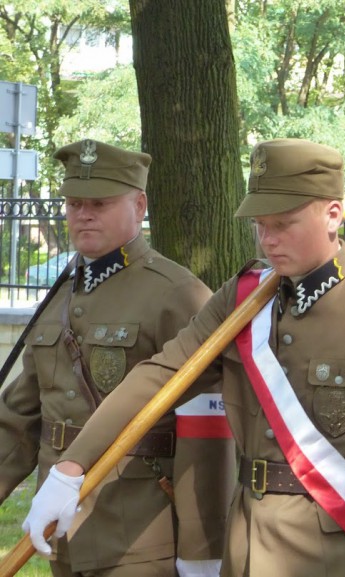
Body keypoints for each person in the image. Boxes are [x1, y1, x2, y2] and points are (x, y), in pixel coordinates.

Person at [23, 138, 345, 577]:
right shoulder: (242, 302)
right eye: (260, 224)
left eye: (284, 223)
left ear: (333, 214)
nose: (268, 240)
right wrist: (71, 465)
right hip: (247, 542)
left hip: (338, 546)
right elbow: (163, 374)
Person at [0, 139, 235, 577]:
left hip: (139, 535)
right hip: (61, 529)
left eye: (100, 203)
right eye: (74, 203)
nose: (83, 214)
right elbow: (20, 417)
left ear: (140, 205)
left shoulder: (177, 294)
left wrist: (203, 551)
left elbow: (209, 429)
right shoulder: (62, 295)